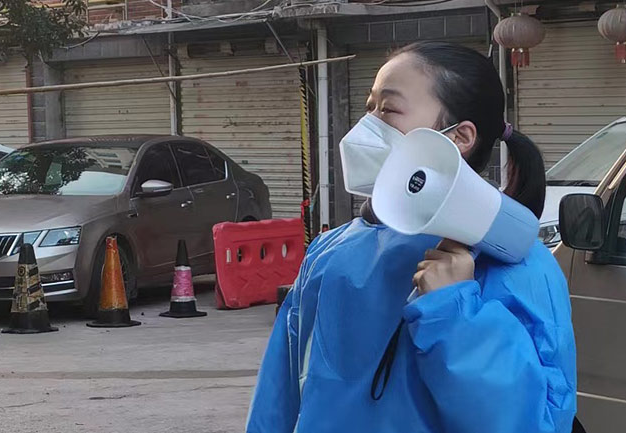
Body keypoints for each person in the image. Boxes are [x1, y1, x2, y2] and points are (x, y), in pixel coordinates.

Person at [246, 41, 577, 433]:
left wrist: (455, 313)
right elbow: (279, 394)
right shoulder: (329, 250)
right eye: (369, 107)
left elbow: (534, 422)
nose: (366, 127)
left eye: (388, 109)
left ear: (460, 137)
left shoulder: (519, 268)